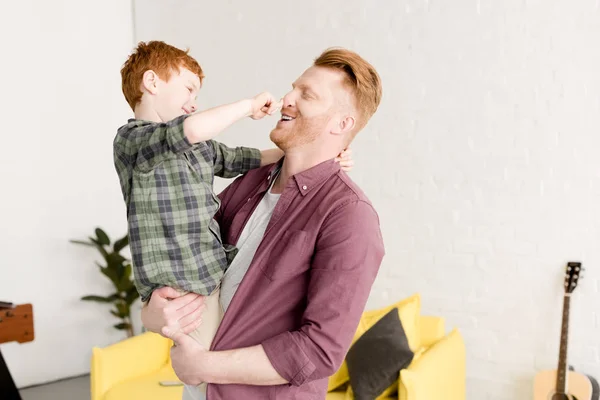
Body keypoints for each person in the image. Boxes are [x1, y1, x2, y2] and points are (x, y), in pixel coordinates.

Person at [142, 46, 385, 400]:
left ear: (341, 123)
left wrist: (203, 367)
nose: (287, 99)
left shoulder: (350, 215)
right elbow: (180, 255)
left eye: (307, 95)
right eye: (293, 88)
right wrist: (153, 311)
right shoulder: (250, 182)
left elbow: (319, 350)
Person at [113, 40, 353, 363]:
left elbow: (243, 158)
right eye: (188, 90)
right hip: (181, 288)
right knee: (206, 367)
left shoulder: (199, 149)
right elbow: (193, 130)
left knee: (218, 359)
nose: (193, 104)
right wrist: (247, 107)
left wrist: (313, 153)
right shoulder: (132, 141)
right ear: (152, 82)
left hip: (211, 273)